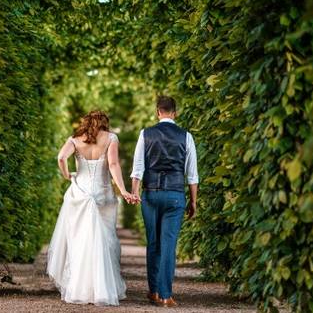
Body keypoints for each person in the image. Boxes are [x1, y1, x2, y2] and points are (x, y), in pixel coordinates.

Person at [46, 110, 137, 306]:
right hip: (102, 195)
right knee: (105, 240)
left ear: (86, 122)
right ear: (105, 122)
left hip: (80, 193)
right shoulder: (111, 138)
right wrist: (123, 190)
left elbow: (61, 158)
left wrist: (67, 176)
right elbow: (113, 164)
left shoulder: (75, 140)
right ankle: (103, 289)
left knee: (80, 241)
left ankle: (80, 289)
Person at [131, 95, 199, 307]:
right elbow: (192, 174)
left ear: (157, 112)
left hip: (150, 194)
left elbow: (138, 168)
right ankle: (166, 295)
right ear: (175, 112)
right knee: (168, 244)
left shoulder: (146, 134)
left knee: (153, 243)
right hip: (175, 195)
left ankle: (153, 291)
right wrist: (193, 201)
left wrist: (135, 192)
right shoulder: (186, 136)